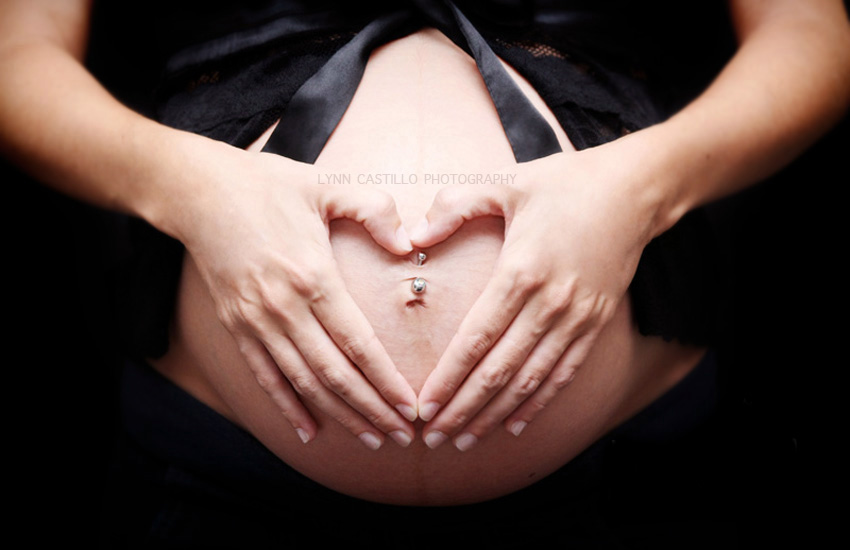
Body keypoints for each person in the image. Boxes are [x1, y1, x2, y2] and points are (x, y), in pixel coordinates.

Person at [2, 0, 848, 545]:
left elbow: (812, 31)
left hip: (626, 473)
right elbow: (17, 50)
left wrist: (641, 186)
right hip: (220, 473)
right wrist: (185, 186)